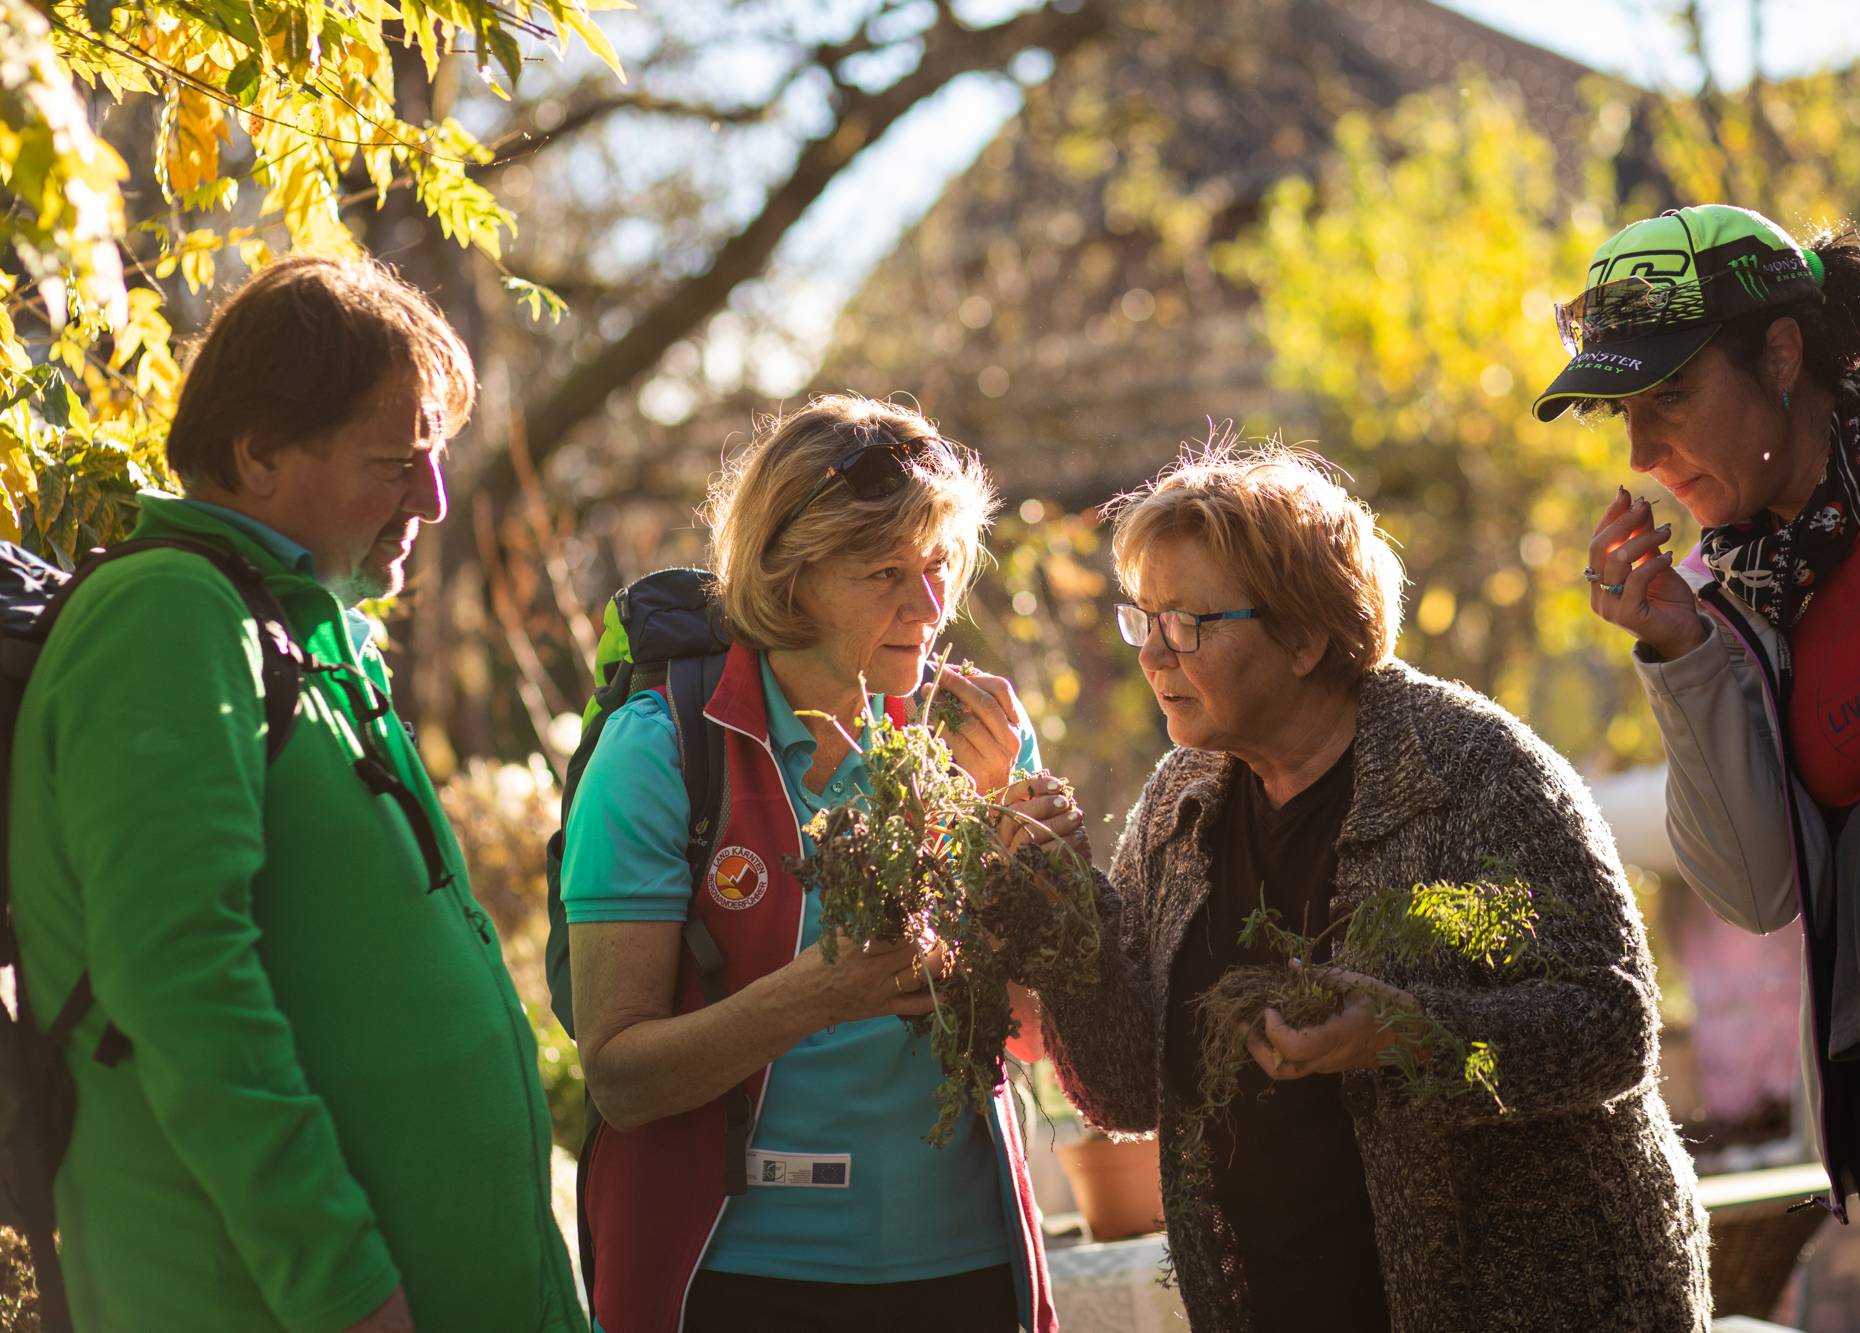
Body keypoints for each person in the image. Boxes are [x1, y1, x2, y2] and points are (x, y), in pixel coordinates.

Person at [996, 441, 1710, 1332]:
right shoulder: (1184, 803)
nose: (1154, 654)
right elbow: (1125, 1092)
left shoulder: (1474, 772)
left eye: (1186, 623)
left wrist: (1405, 1037)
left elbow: (1610, 1028)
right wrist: (1066, 911)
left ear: (1305, 635)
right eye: (1143, 618)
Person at [7, 257, 586, 1331]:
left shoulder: (308, 633)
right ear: (258, 452)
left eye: (435, 456)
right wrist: (341, 1285)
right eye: (393, 461)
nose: (434, 498)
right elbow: (179, 975)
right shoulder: (169, 615)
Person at [1542, 203, 1860, 1330]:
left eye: (1670, 399)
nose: (1642, 457)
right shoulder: (1724, 603)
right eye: (1622, 416)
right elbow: (1755, 890)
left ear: (1781, 354)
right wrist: (1676, 650)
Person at [559, 395, 1057, 1333]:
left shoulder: (973, 737)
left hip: (965, 1261)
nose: (932, 606)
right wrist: (820, 994)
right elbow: (620, 1077)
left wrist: (1032, 874)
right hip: (740, 1274)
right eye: (885, 572)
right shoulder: (660, 753)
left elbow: (1035, 1036)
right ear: (788, 580)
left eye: (942, 564)